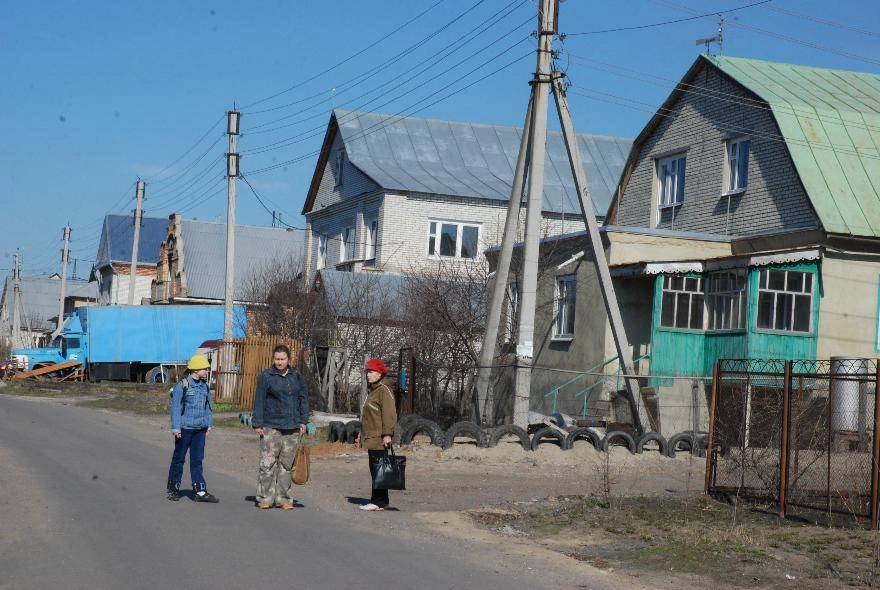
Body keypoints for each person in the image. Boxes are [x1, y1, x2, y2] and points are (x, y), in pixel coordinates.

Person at [252, 344, 309, 510]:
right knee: (268, 463)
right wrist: (257, 423)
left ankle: (284, 499)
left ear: (288, 359)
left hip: (292, 427)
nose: (279, 362)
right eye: (277, 359)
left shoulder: (296, 376)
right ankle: (265, 498)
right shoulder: (266, 376)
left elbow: (304, 399)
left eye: (283, 359)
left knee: (286, 465)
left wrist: (303, 421)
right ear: (273, 359)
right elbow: (259, 400)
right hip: (271, 426)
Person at [166, 354, 219, 503]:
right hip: (184, 429)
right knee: (179, 459)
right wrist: (176, 428)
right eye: (204, 368)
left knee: (197, 460)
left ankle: (200, 491)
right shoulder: (182, 385)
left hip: (199, 430)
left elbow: (208, 407)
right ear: (195, 370)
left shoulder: (205, 386)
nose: (206, 371)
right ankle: (173, 489)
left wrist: (209, 424)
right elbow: (176, 408)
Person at [358, 357, 398, 512]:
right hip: (371, 435)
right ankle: (381, 500)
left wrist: (387, 434)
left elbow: (389, 414)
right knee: (377, 469)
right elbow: (368, 415)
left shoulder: (383, 390)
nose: (368, 374)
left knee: (378, 469)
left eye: (372, 371)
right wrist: (362, 433)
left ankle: (378, 501)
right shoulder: (373, 390)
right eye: (368, 371)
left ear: (380, 374)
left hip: (379, 437)